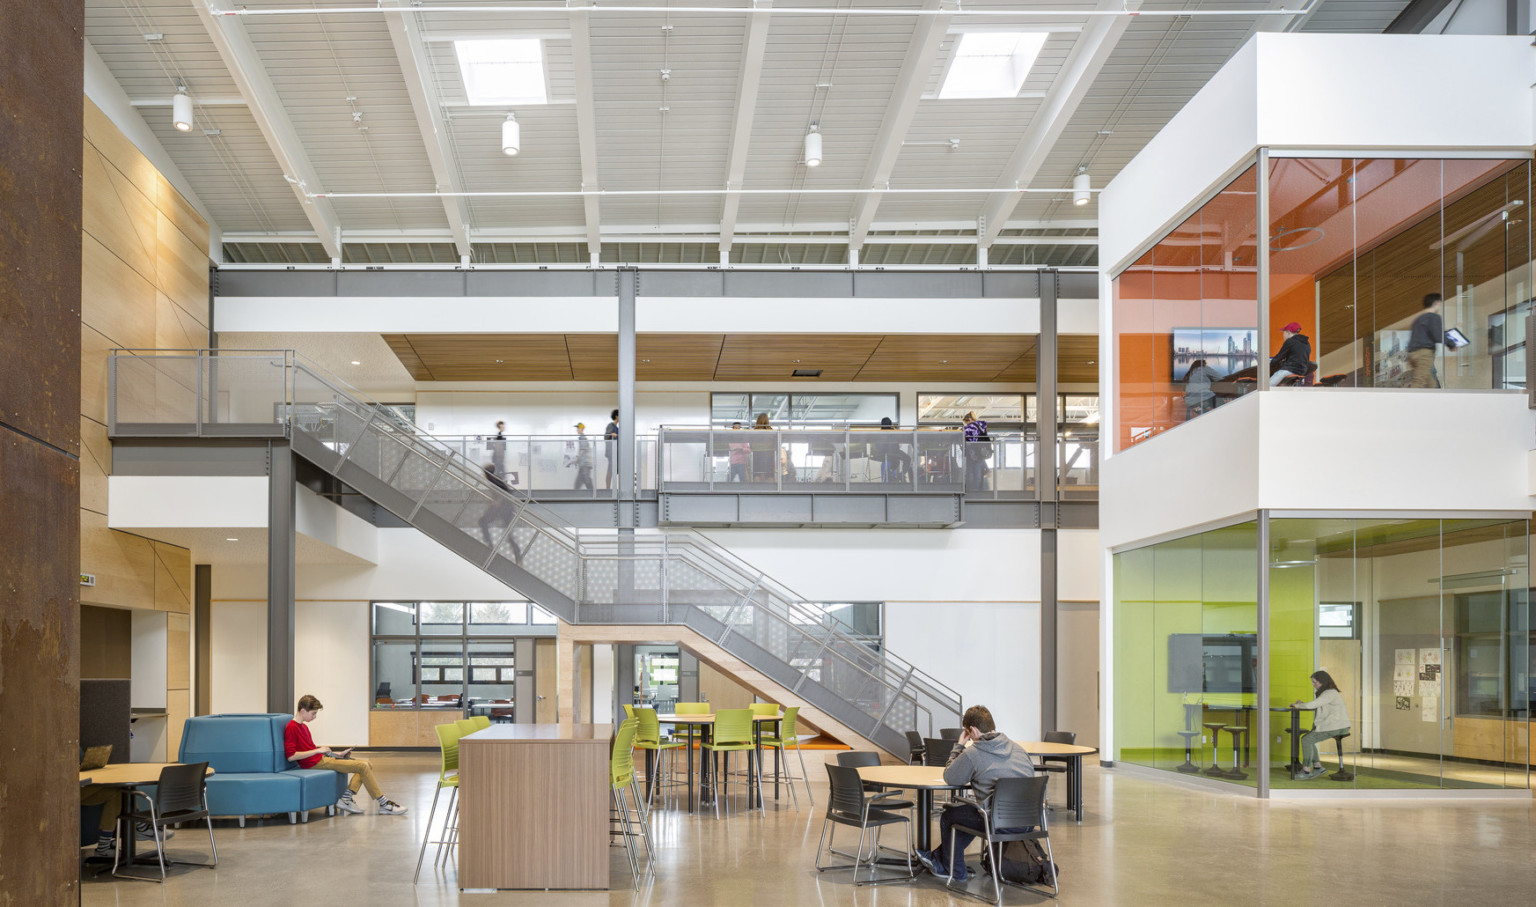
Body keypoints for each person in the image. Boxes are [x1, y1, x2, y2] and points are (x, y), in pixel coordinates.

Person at [913, 705, 1036, 882]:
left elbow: (951, 777)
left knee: (950, 815)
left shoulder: (974, 752)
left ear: (973, 730)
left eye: (968, 733)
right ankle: (939, 858)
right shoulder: (1019, 750)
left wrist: (959, 745)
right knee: (970, 814)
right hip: (1028, 820)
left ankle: (954, 870)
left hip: (999, 821)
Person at [285, 694, 408, 815]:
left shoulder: (303, 727)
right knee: (362, 766)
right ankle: (384, 803)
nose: (315, 717)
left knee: (367, 763)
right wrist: (317, 750)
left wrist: (334, 753)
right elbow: (291, 756)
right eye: (313, 713)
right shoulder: (291, 727)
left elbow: (308, 748)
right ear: (302, 710)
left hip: (321, 759)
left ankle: (346, 798)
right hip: (314, 763)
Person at [1291, 670, 1351, 780]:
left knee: (1306, 740)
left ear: (1322, 682)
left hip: (1337, 726)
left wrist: (1297, 706)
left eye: (1315, 682)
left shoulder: (1330, 693)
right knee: (1308, 738)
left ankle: (1306, 770)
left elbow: (1313, 705)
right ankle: (1317, 766)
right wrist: (1302, 704)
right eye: (1312, 682)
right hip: (1336, 725)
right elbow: (1317, 706)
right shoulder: (1327, 693)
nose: (1313, 685)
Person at [478, 463, 524, 562]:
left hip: (505, 509)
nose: (483, 475)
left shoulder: (494, 481)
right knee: (507, 534)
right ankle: (518, 558)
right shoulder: (494, 480)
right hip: (504, 509)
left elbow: (506, 492)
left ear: (486, 474)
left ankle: (490, 545)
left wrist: (498, 501)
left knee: (484, 522)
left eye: (483, 473)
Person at [1407, 293, 1443, 388]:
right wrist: (1452, 344)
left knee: (1431, 384)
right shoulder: (1433, 317)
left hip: (1413, 355)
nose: (1440, 305)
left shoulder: (1417, 320)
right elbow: (1438, 336)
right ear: (1437, 302)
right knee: (1419, 382)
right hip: (1424, 354)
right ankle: (1410, 402)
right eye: (1440, 302)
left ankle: (1432, 402)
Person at [874, 416, 911, 483]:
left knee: (896, 461)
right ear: (890, 424)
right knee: (907, 458)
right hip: (894, 453)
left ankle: (890, 472)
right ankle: (901, 475)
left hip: (883, 454)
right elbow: (900, 444)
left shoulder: (879, 433)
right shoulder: (893, 431)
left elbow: (877, 445)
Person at [962, 412, 990, 492]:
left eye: (966, 422)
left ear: (970, 419)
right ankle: (978, 489)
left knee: (971, 472)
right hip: (981, 452)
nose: (966, 424)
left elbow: (967, 438)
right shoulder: (982, 426)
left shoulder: (971, 426)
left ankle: (972, 490)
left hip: (973, 453)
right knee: (978, 472)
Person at [571, 422, 594, 491]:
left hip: (585, 464)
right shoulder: (581, 438)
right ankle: (575, 494)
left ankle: (593, 494)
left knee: (586, 480)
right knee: (578, 482)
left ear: (581, 429)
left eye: (578, 428)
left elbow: (582, 449)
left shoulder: (582, 438)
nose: (577, 430)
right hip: (583, 464)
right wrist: (578, 460)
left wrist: (577, 459)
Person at [751, 413, 775, 482]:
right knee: (770, 475)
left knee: (757, 475)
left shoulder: (754, 432)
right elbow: (775, 444)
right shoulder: (772, 432)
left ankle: (756, 491)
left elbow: (751, 445)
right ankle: (771, 491)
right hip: (769, 456)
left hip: (757, 456)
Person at [603, 409, 620, 490]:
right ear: (617, 416)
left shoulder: (617, 427)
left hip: (616, 452)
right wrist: (611, 434)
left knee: (614, 470)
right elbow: (606, 436)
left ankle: (612, 488)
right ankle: (608, 489)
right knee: (610, 470)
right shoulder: (611, 425)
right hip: (612, 452)